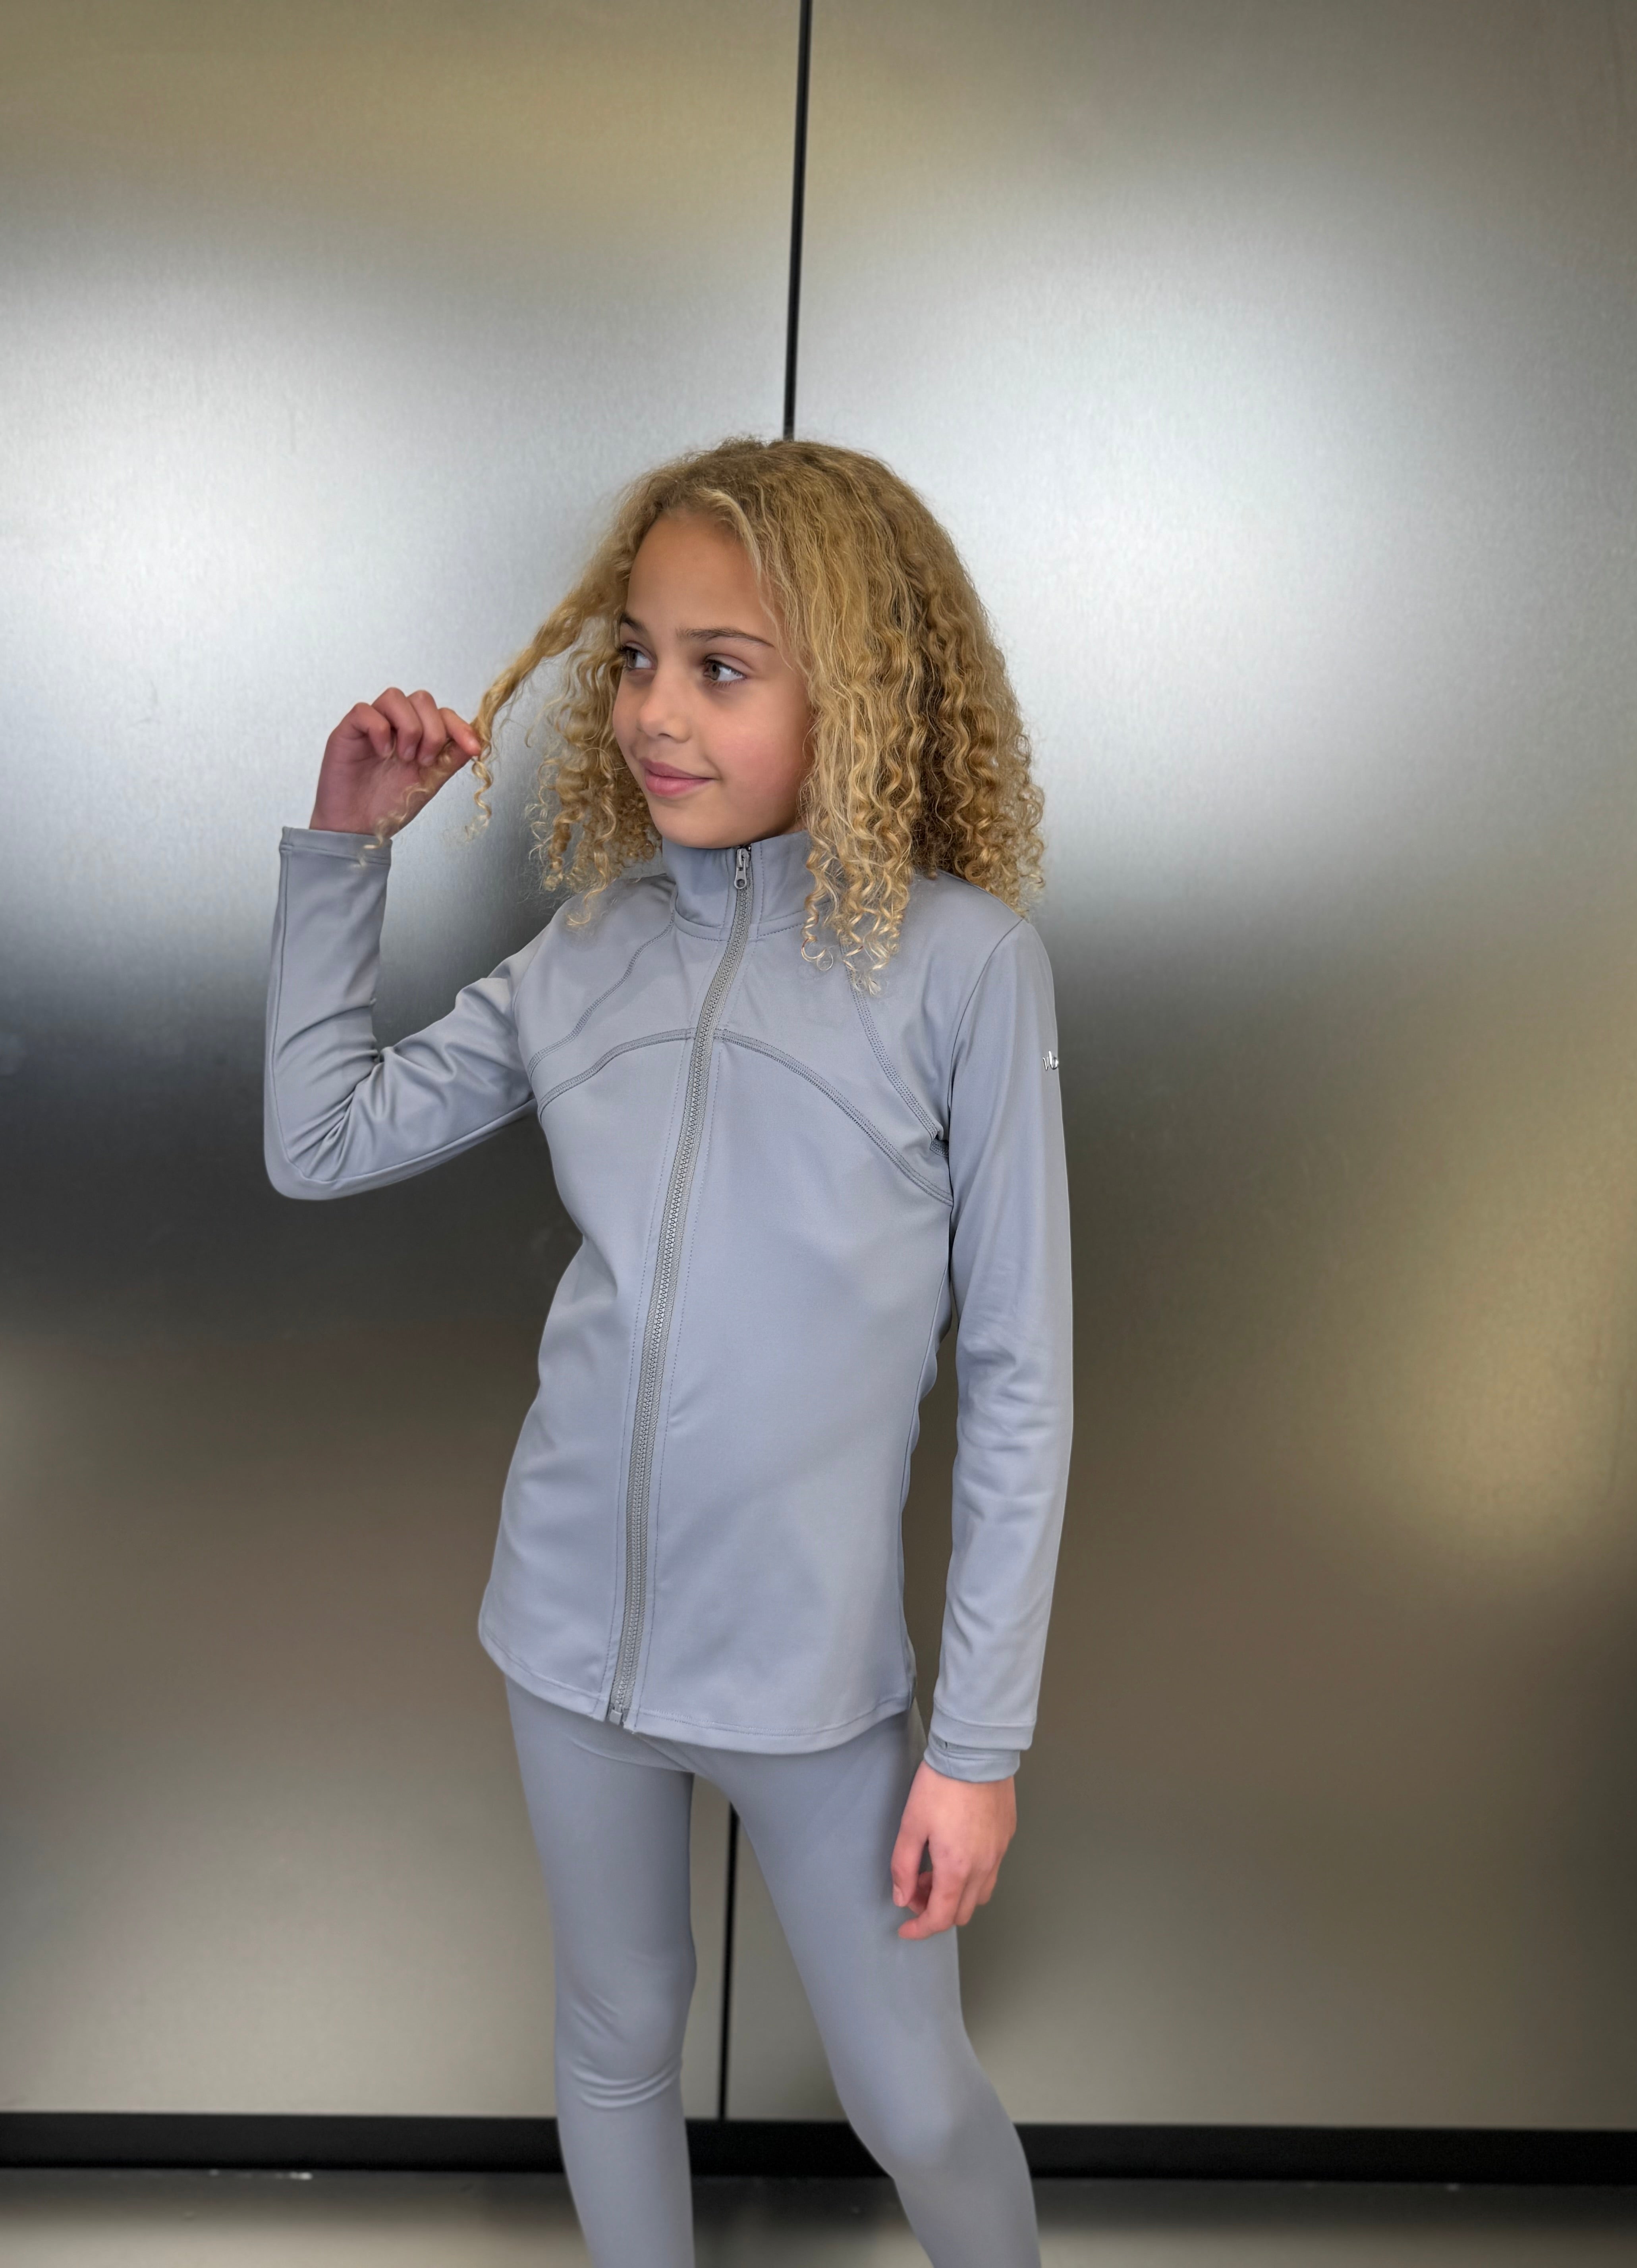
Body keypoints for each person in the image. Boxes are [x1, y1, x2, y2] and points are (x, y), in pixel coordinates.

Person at [263, 435, 1073, 2266]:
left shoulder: (963, 968)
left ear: (857, 692)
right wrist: (344, 845)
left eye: (723, 667)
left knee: (914, 2100)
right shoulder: (587, 952)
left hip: (815, 1681)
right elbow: (318, 1144)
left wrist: (978, 1744)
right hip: (567, 1637)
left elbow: (1022, 1377)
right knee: (617, 2037)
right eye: (636, 656)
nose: (654, 711)